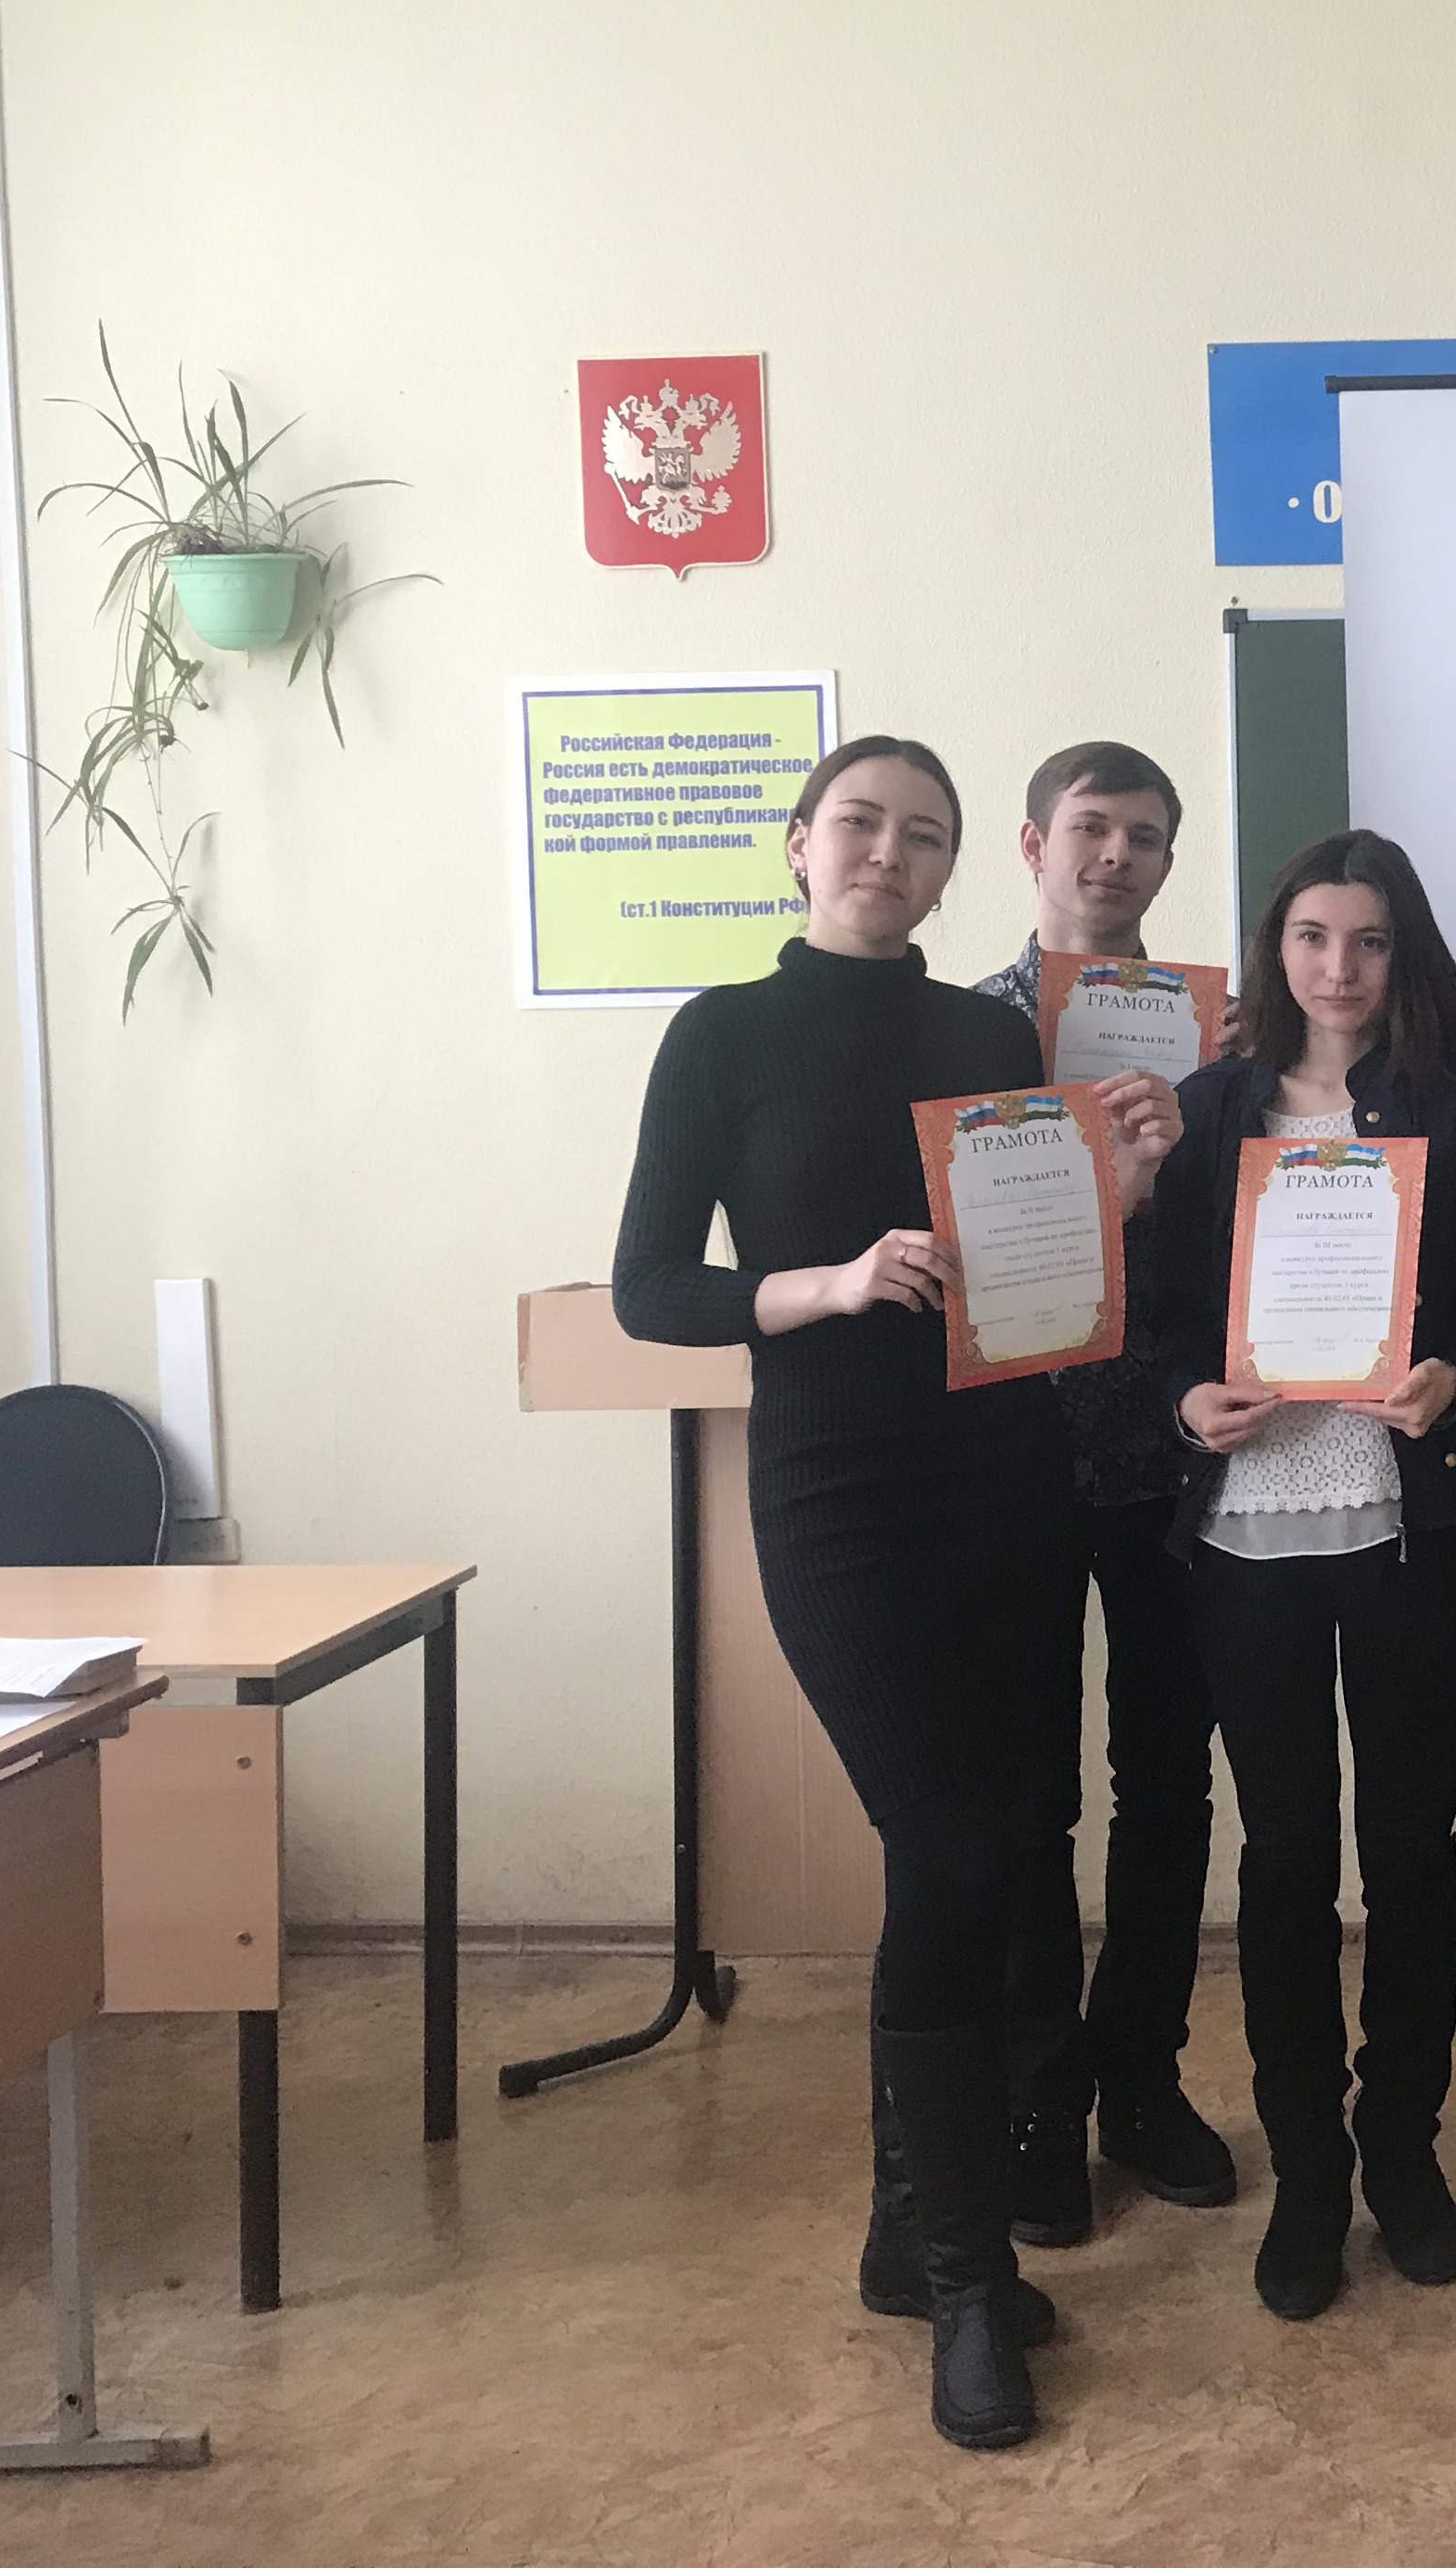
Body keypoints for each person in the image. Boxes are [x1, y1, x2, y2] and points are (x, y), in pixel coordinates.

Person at [613, 736, 1174, 2451]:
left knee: (1001, 1848)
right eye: (860, 822)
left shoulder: (986, 1039)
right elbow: (651, 1288)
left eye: (922, 836)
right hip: (840, 1495)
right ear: (801, 844)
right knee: (947, 1852)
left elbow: (1032, 1277)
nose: (887, 851)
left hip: (1006, 1481)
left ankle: (901, 2229)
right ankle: (966, 2281)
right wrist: (832, 1283)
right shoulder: (720, 1034)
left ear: (952, 872)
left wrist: (1121, 1196)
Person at [1141, 829, 1456, 2322]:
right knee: (1286, 1857)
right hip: (1249, 1533)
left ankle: (1405, 2153)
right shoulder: (1212, 1108)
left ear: (1404, 951)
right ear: (1277, 950)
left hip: (1405, 1524)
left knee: (1412, 1848)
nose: (1340, 967)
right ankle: (1309, 2170)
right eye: (1313, 937)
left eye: (1369, 940)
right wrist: (1186, 1400)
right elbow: (1162, 1318)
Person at [975, 740, 1236, 2234]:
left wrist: (1225, 1118)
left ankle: (1141, 2078)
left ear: (1166, 859)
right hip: (1011, 1456)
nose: (1115, 856)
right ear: (1035, 844)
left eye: (1144, 835)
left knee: (1168, 1783)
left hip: (1169, 1456)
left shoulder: (1217, 1037)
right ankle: (1038, 2104)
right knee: (1030, 1796)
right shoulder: (962, 1028)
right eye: (1090, 828)